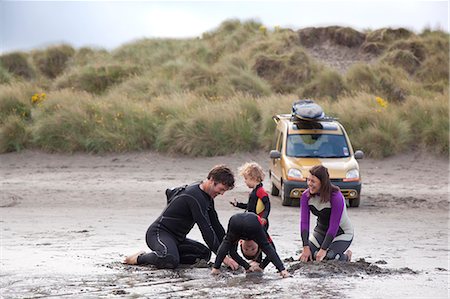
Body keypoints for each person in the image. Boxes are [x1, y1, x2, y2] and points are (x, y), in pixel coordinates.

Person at [124, 164, 239, 270]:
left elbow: (215, 225)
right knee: (169, 259)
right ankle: (139, 258)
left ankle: (169, 253)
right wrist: (222, 258)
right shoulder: (194, 196)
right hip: (159, 233)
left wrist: (228, 253)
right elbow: (206, 229)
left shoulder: (207, 196)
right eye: (221, 189)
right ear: (212, 180)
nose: (222, 193)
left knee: (204, 254)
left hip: (178, 239)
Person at [299, 165, 353, 262]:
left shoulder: (336, 196)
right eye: (308, 180)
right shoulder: (305, 196)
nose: (309, 184)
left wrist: (323, 250)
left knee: (328, 258)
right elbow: (304, 223)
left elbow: (334, 226)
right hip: (320, 232)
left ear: (322, 183)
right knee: (309, 256)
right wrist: (305, 247)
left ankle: (347, 256)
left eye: (313, 181)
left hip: (341, 233)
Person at [211, 212, 290, 278]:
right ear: (241, 242)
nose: (249, 247)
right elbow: (270, 249)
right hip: (250, 222)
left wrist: (259, 266)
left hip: (236, 220)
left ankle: (215, 268)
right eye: (251, 249)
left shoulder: (257, 237)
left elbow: (231, 252)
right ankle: (215, 268)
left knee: (227, 242)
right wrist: (282, 269)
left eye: (251, 249)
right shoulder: (260, 235)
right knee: (227, 242)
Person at [230, 162, 271, 229]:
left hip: (259, 222)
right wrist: (237, 204)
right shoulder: (255, 191)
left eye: (246, 178)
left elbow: (267, 205)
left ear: (253, 178)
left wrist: (264, 217)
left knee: (261, 238)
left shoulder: (260, 191)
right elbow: (250, 206)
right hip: (253, 221)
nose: (245, 181)